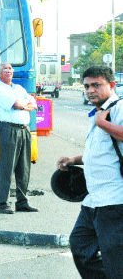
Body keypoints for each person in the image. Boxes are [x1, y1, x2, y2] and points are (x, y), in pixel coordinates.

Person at [57, 66, 123, 278]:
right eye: (87, 86)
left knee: (116, 261)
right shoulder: (97, 112)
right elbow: (99, 152)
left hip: (114, 200)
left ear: (112, 85)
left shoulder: (118, 108)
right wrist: (74, 159)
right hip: (93, 200)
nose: (90, 90)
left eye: (97, 85)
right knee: (80, 246)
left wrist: (103, 123)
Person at [0, 62, 38, 214]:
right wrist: (25, 105)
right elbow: (17, 104)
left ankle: (22, 202)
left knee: (24, 168)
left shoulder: (18, 88)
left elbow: (34, 103)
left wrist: (26, 104)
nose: (9, 71)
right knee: (6, 167)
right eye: (5, 69)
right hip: (8, 130)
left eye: (10, 68)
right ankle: (3, 202)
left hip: (24, 130)